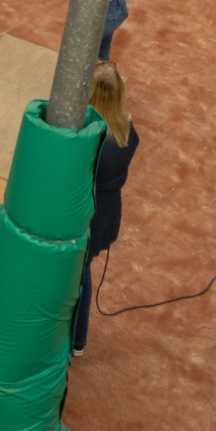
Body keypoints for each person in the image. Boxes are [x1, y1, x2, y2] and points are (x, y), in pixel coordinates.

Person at [72, 60, 140, 357]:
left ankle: (77, 339)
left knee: (80, 277)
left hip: (88, 218)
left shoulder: (92, 141)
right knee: (81, 271)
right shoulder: (127, 132)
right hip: (109, 214)